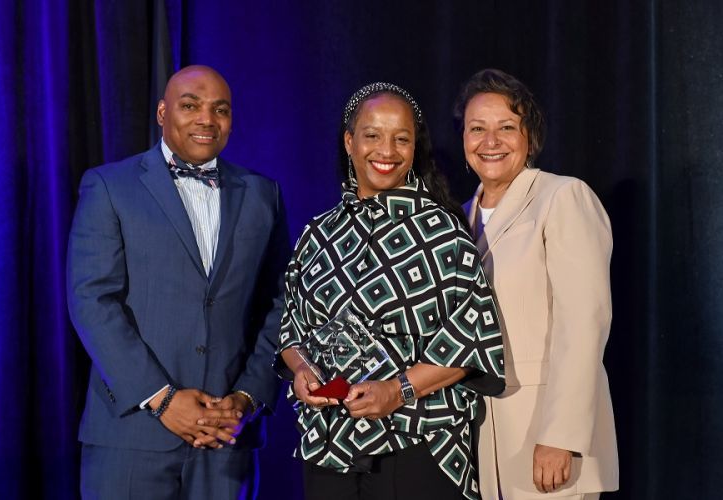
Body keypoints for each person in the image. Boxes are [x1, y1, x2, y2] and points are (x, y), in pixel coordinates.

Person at [67, 65, 290, 499]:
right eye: (190, 106)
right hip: (131, 436)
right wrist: (163, 399)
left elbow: (281, 304)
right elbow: (92, 301)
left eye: (219, 110)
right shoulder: (109, 186)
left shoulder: (264, 194)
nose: (206, 119)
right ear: (162, 112)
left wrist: (246, 396)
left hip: (226, 439)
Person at [274, 82, 505, 500]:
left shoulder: (443, 232)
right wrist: (302, 372)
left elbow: (471, 343)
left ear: (415, 148)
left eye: (402, 138)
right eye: (372, 135)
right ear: (349, 142)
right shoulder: (318, 234)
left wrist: (396, 390)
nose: (387, 150)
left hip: (418, 444)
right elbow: (290, 329)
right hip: (330, 445)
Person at [453, 68, 619, 499]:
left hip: (544, 436)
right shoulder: (459, 217)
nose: (490, 141)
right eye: (477, 129)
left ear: (531, 136)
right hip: (480, 432)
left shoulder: (562, 197)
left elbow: (584, 323)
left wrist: (561, 434)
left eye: (507, 127)